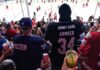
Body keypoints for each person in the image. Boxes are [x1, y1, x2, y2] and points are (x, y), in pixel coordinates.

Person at [44, 3, 83, 70]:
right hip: (71, 60)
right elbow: (81, 32)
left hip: (56, 60)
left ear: (59, 13)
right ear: (70, 13)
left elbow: (46, 38)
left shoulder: (52, 26)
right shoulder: (77, 25)